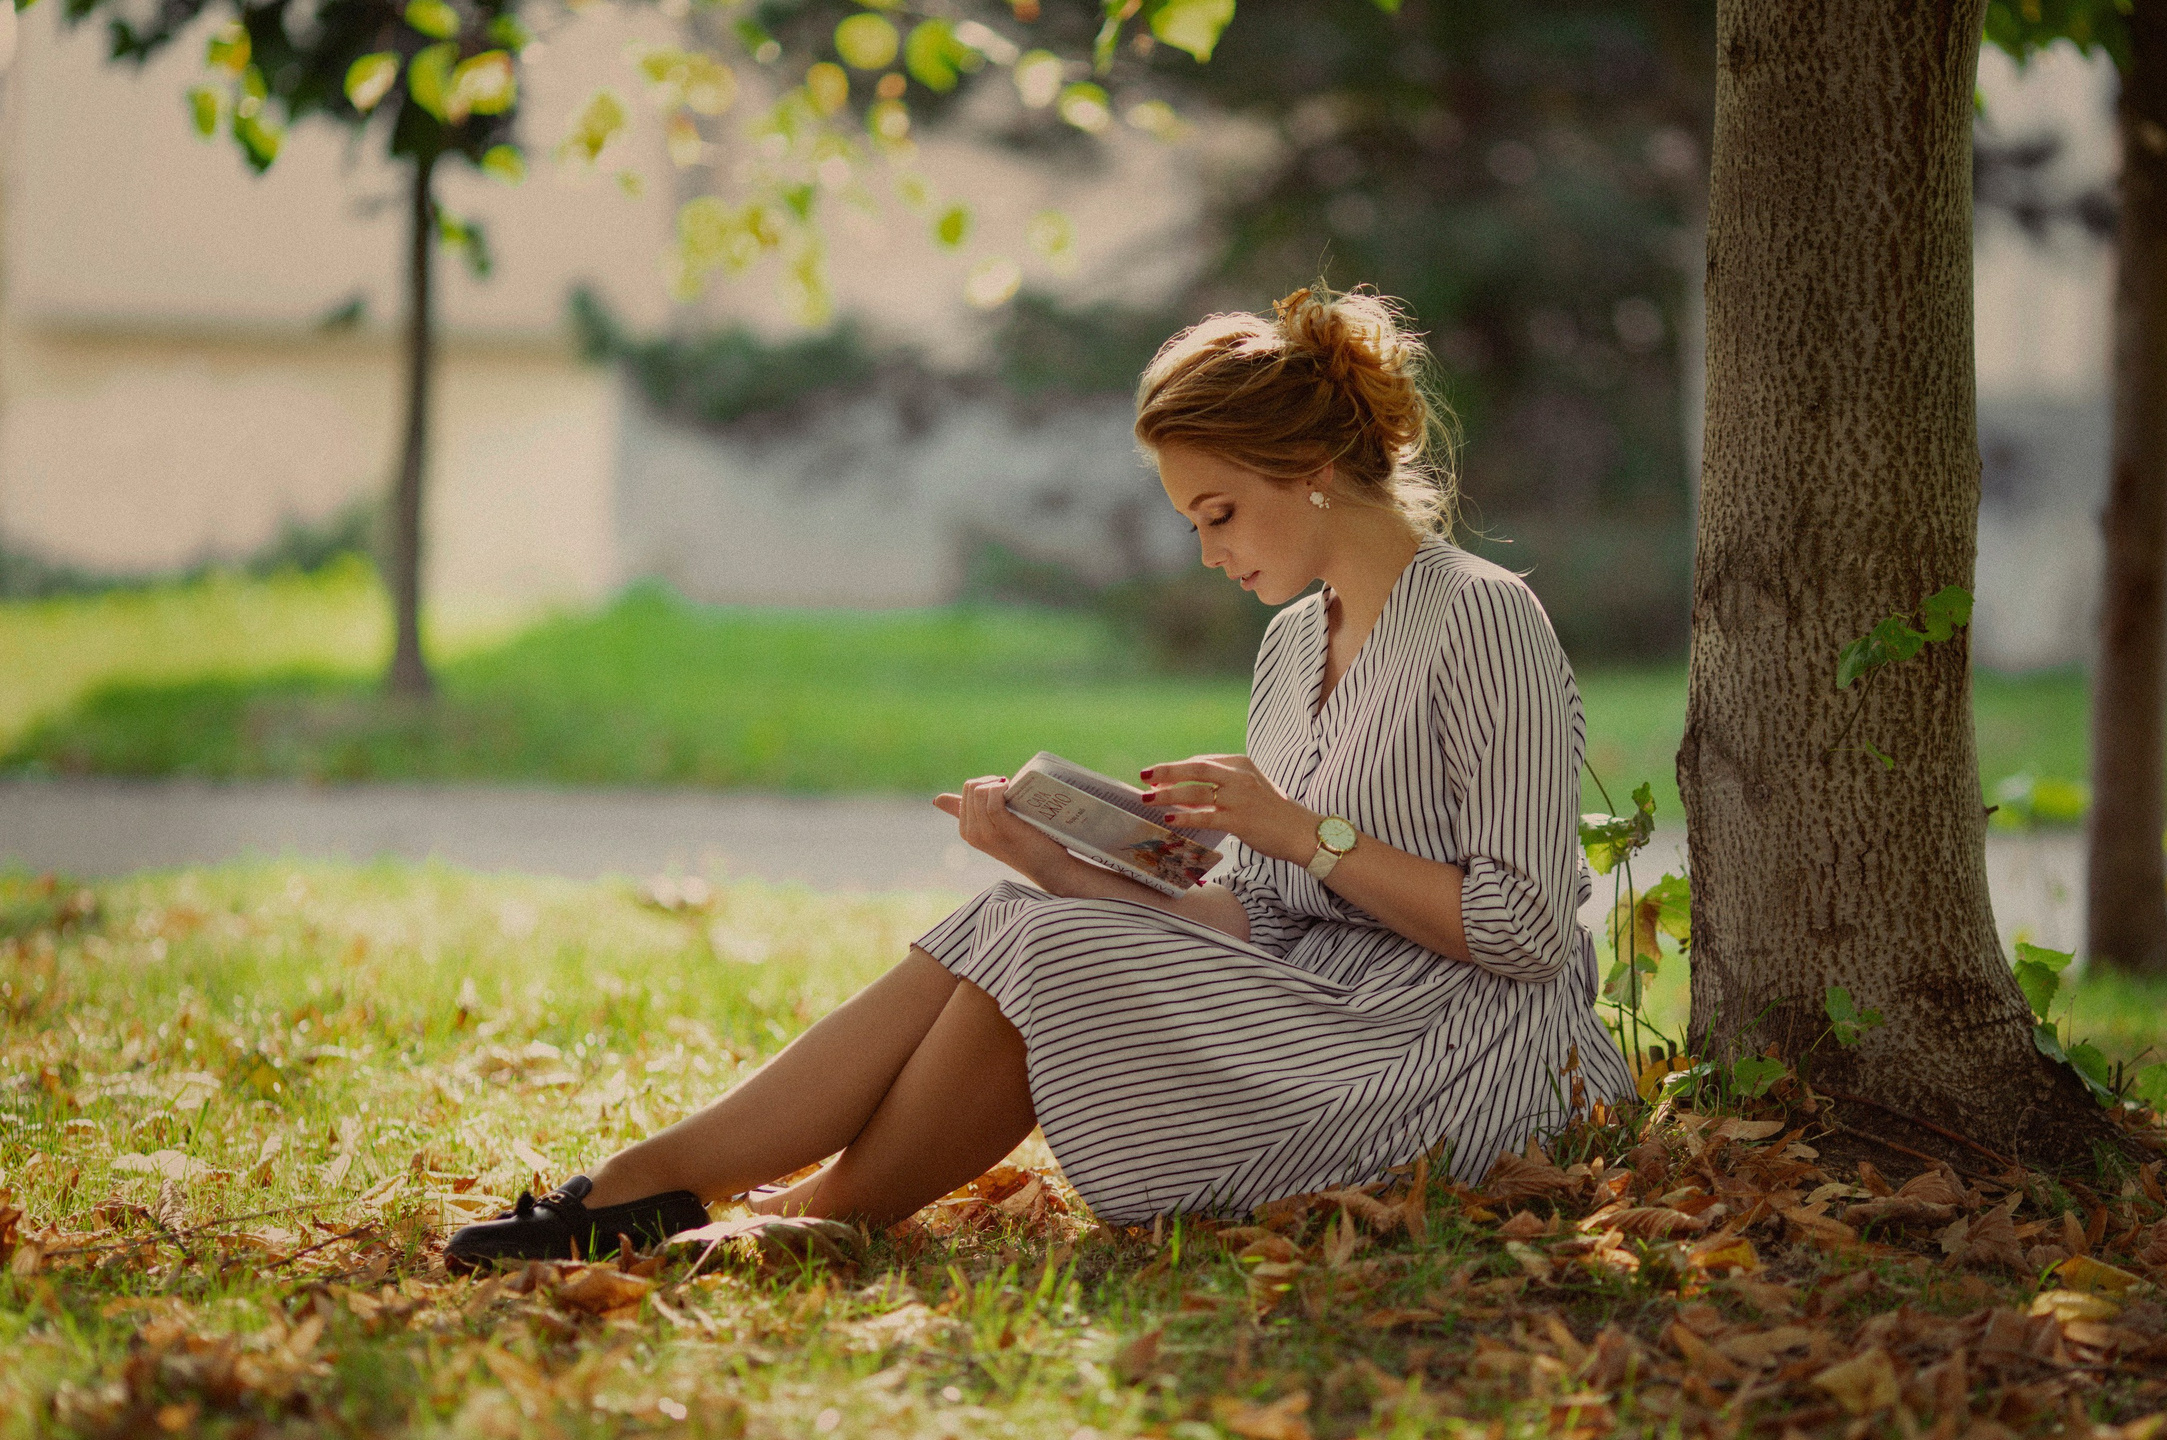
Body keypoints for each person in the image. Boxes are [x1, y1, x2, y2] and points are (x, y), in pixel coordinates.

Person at [444, 285, 1628, 1270]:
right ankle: (663, 1186)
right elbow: (1263, 925)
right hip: (1309, 1012)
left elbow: (1522, 931)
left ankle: (801, 1219)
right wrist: (1054, 864)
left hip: (1459, 1055)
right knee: (1020, 913)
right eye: (1191, 521)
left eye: (1218, 511)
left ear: (1311, 468)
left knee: (1043, 946)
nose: (1209, 550)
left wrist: (1300, 829)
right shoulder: (1289, 647)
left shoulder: (1482, 620)